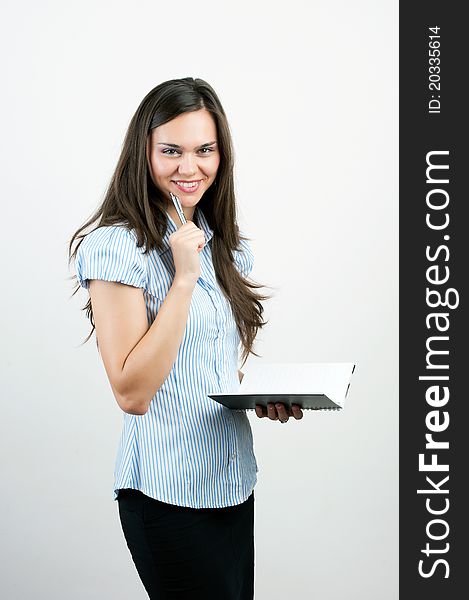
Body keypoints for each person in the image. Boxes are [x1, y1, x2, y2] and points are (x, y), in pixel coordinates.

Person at [68, 77, 303, 600]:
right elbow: (132, 391)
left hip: (233, 484)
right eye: (170, 151)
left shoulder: (225, 248)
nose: (189, 167)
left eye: (204, 150)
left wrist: (260, 396)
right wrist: (182, 279)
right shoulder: (116, 247)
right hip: (167, 495)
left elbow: (205, 369)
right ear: (144, 153)